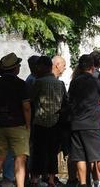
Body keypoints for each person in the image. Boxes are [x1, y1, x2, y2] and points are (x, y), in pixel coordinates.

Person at [68, 54, 100, 187]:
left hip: (76, 124)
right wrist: (99, 106)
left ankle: (82, 183)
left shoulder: (74, 81)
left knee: (79, 156)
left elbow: (70, 100)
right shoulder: (96, 81)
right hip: (92, 124)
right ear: (92, 67)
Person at [0, 53, 31, 187]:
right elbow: (26, 107)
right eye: (18, 65)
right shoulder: (21, 84)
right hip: (18, 125)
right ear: (14, 68)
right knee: (20, 158)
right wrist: (28, 124)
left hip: (0, 125)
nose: (19, 67)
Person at [29, 56, 67, 187]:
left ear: (43, 67)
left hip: (40, 121)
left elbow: (31, 99)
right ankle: (51, 178)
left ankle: (35, 178)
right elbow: (64, 102)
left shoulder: (38, 82)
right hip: (55, 122)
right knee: (52, 152)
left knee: (38, 151)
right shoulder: (60, 84)